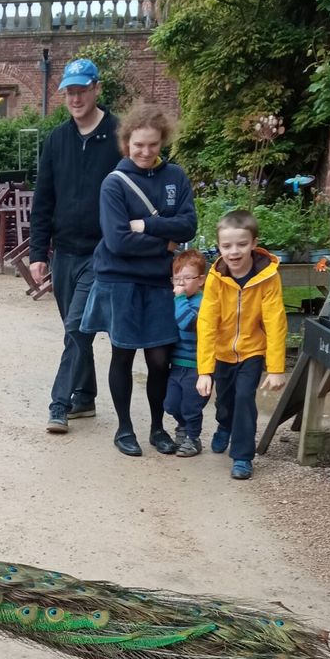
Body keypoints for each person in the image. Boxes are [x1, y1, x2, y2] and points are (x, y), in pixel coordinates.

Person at [81, 102, 197, 458]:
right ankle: (124, 428)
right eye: (138, 145)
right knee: (124, 354)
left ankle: (158, 428)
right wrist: (166, 241)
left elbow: (189, 226)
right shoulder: (113, 184)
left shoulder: (176, 177)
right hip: (121, 281)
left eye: (153, 144)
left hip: (160, 283)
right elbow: (117, 241)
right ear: (126, 143)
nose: (146, 152)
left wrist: (147, 225)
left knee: (160, 359)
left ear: (163, 141)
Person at [28, 58, 121, 435]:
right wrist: (38, 253)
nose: (76, 98)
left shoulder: (119, 135)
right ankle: (85, 396)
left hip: (103, 252)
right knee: (75, 329)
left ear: (97, 88)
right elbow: (43, 199)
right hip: (64, 251)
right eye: (70, 91)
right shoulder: (57, 140)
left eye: (82, 90)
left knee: (77, 328)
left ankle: (59, 403)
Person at [196, 210, 287, 481]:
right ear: (219, 246)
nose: (234, 252)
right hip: (223, 351)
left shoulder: (268, 278)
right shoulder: (215, 278)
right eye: (226, 246)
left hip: (252, 350)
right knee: (225, 400)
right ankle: (224, 424)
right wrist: (204, 370)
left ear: (254, 243)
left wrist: (276, 368)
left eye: (241, 244)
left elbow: (275, 322)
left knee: (245, 397)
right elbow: (207, 322)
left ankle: (243, 456)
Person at [164, 248, 209, 457]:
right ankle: (182, 426)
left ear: (200, 280)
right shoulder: (175, 300)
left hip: (197, 366)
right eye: (176, 278)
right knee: (171, 404)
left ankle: (193, 438)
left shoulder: (203, 303)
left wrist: (180, 299)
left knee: (192, 406)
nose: (180, 283)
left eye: (187, 278)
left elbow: (187, 323)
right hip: (177, 364)